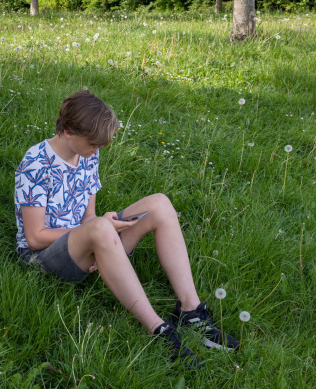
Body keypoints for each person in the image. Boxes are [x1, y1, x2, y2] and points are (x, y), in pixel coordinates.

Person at [13, 90, 239, 369]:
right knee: (99, 228)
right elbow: (34, 239)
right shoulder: (36, 163)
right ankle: (157, 330)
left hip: (85, 241)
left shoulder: (86, 155)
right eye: (94, 144)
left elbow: (89, 216)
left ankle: (190, 310)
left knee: (159, 204)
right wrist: (96, 231)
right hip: (44, 258)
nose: (97, 151)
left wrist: (100, 226)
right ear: (69, 132)